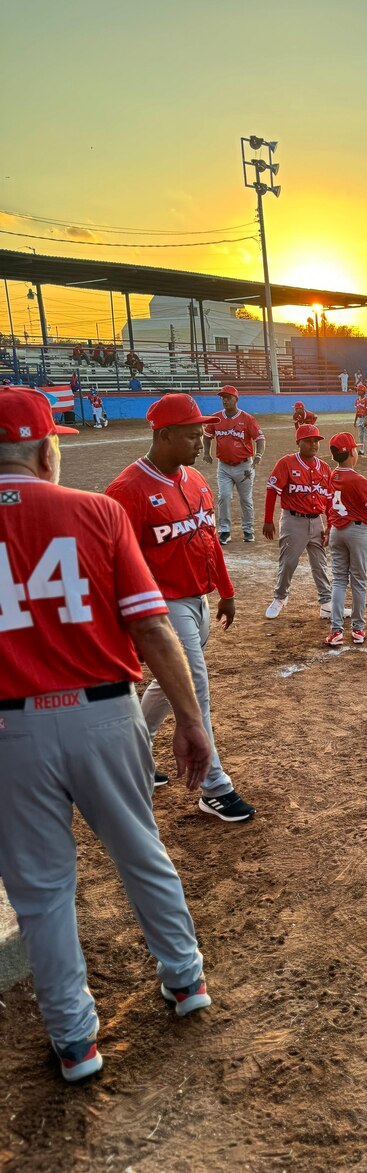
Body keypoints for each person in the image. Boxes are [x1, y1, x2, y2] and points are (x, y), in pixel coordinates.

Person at [0, 386, 213, 1083]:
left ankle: (75, 1041)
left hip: (10, 731)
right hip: (101, 712)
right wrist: (188, 716)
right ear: (42, 447)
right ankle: (185, 980)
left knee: (40, 891)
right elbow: (152, 626)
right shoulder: (96, 510)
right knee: (138, 849)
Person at [106, 393, 255, 824]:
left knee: (172, 683)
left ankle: (134, 751)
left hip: (199, 599)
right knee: (195, 691)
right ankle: (215, 787)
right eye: (192, 435)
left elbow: (208, 539)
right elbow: (112, 564)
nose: (200, 440)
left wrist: (224, 590)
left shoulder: (194, 478)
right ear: (165, 435)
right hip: (162, 605)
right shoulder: (127, 490)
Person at [262, 421, 334, 620]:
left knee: (320, 563)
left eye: (316, 441)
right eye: (308, 441)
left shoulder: (325, 468)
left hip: (317, 521)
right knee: (289, 562)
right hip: (293, 520)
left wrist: (329, 525)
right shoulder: (287, 463)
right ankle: (280, 597)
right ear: (299, 442)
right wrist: (268, 520)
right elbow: (272, 490)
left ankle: (326, 603)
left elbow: (328, 501)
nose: (313, 445)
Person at [324, 434, 367, 646]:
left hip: (336, 531)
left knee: (339, 580)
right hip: (356, 532)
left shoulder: (333, 475)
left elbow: (356, 488)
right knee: (359, 581)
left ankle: (336, 631)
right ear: (352, 453)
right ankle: (358, 628)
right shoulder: (357, 479)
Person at [201, 385, 264, 544]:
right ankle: (224, 530)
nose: (225, 400)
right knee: (224, 496)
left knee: (246, 499)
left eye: (228, 397)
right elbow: (207, 436)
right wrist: (206, 453)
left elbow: (260, 439)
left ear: (236, 399)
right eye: (223, 398)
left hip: (244, 467)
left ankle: (248, 530)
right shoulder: (216, 418)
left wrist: (258, 454)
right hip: (224, 467)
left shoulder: (247, 419)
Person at [353, 384, 367, 455]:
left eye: (359, 390)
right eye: (357, 390)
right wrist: (355, 421)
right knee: (360, 435)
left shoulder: (366, 400)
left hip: (365, 417)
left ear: (363, 391)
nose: (357, 391)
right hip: (359, 418)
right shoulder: (357, 400)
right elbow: (357, 412)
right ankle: (361, 450)